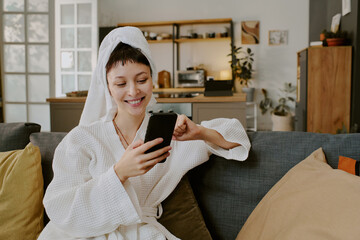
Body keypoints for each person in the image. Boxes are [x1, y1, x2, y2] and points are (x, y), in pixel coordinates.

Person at [38, 27, 251, 240]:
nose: (133, 91)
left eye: (141, 80)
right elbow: (60, 207)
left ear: (152, 79)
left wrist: (200, 132)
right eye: (121, 83)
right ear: (107, 87)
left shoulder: (170, 135)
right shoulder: (82, 139)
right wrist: (119, 173)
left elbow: (235, 137)